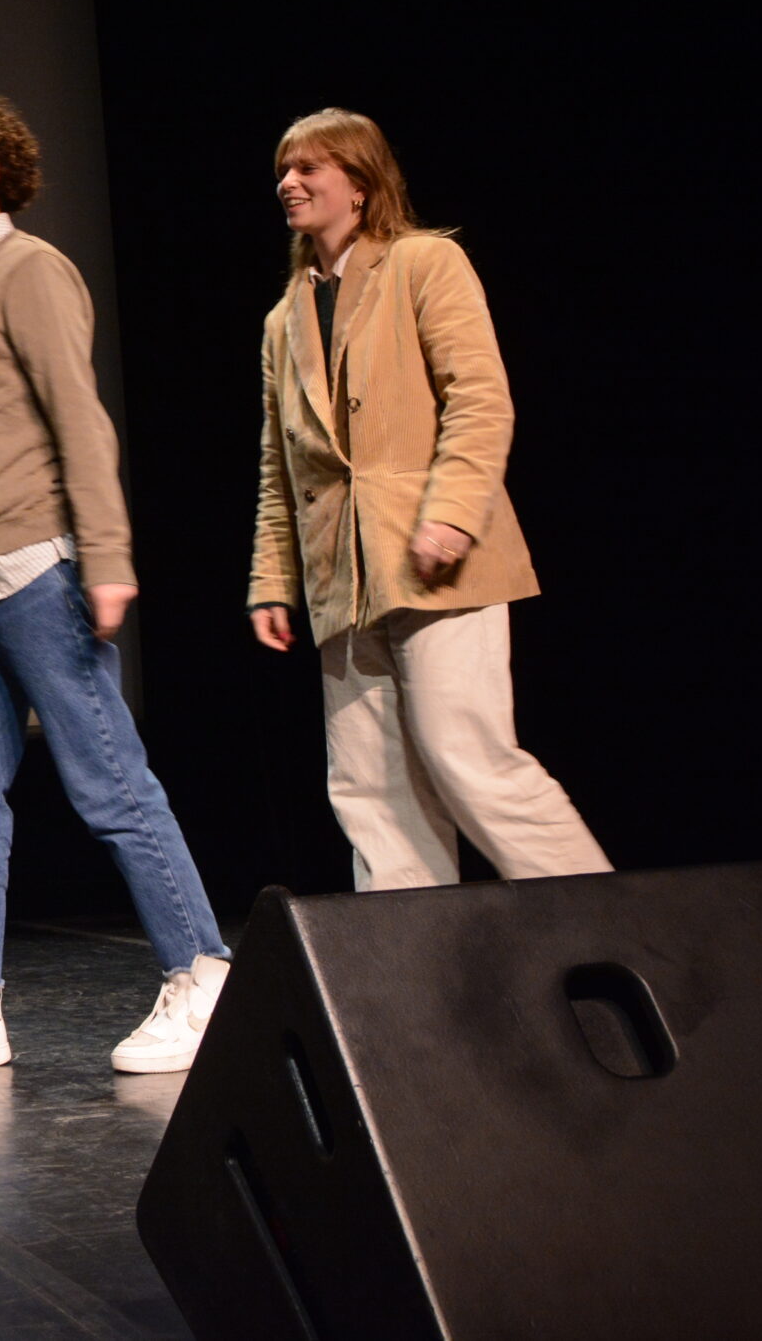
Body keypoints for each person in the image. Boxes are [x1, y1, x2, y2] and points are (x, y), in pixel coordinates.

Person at [0, 95, 229, 1078]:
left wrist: (106, 558)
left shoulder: (31, 270)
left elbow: (80, 419)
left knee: (109, 784)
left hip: (36, 574)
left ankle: (202, 974)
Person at [249, 107, 610, 889]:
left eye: (309, 167)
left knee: (468, 756)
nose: (289, 182)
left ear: (360, 183)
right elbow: (280, 468)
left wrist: (450, 514)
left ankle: (606, 923)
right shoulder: (284, 319)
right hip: (341, 573)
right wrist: (273, 581)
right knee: (371, 789)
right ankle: (413, 957)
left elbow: (479, 399)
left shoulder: (423, 262)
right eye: (283, 170)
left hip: (434, 557)